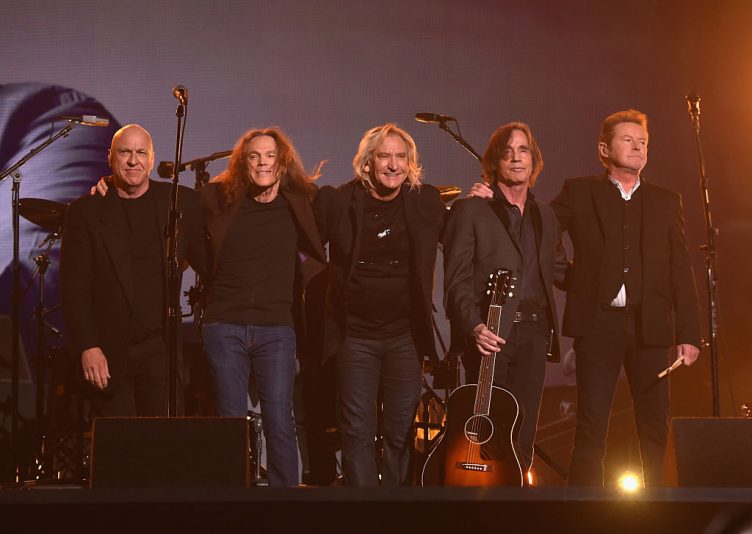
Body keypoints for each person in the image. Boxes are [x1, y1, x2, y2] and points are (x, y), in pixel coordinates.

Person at [550, 109, 701, 486]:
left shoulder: (667, 201)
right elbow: (540, 231)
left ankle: (661, 513)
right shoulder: (579, 191)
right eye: (627, 139)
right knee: (591, 427)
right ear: (604, 148)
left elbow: (681, 269)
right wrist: (573, 279)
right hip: (598, 325)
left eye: (643, 141)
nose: (637, 147)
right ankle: (583, 514)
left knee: (654, 426)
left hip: (649, 327)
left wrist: (689, 333)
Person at [313, 123, 445, 487]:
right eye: (384, 156)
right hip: (355, 336)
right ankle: (365, 513)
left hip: (404, 337)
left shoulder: (425, 201)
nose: (393, 165)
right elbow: (303, 241)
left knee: (401, 432)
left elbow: (460, 237)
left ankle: (396, 512)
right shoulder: (339, 202)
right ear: (367, 162)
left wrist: (485, 199)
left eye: (401, 157)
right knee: (356, 432)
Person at [197, 127, 326, 488]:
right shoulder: (217, 199)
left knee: (279, 417)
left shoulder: (303, 201)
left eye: (270, 155)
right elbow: (183, 230)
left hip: (276, 327)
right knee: (230, 419)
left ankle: (285, 505)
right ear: (243, 163)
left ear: (282, 162)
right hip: (224, 324)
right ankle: (230, 499)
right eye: (254, 156)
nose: (262, 163)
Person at [444, 122, 567, 473]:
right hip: (490, 334)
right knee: (488, 432)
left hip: (534, 335)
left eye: (523, 150)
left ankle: (517, 507)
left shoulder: (546, 215)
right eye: (507, 152)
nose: (516, 158)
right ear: (495, 162)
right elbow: (456, 281)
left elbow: (560, 272)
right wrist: (474, 327)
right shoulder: (471, 210)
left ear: (534, 160)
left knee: (523, 432)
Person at [61, 124, 198, 417]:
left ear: (151, 159)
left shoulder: (180, 202)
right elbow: (75, 287)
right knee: (118, 453)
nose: (133, 160)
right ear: (111, 157)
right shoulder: (86, 211)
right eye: (125, 152)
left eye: (141, 153)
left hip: (160, 353)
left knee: (162, 450)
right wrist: (88, 346)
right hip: (108, 354)